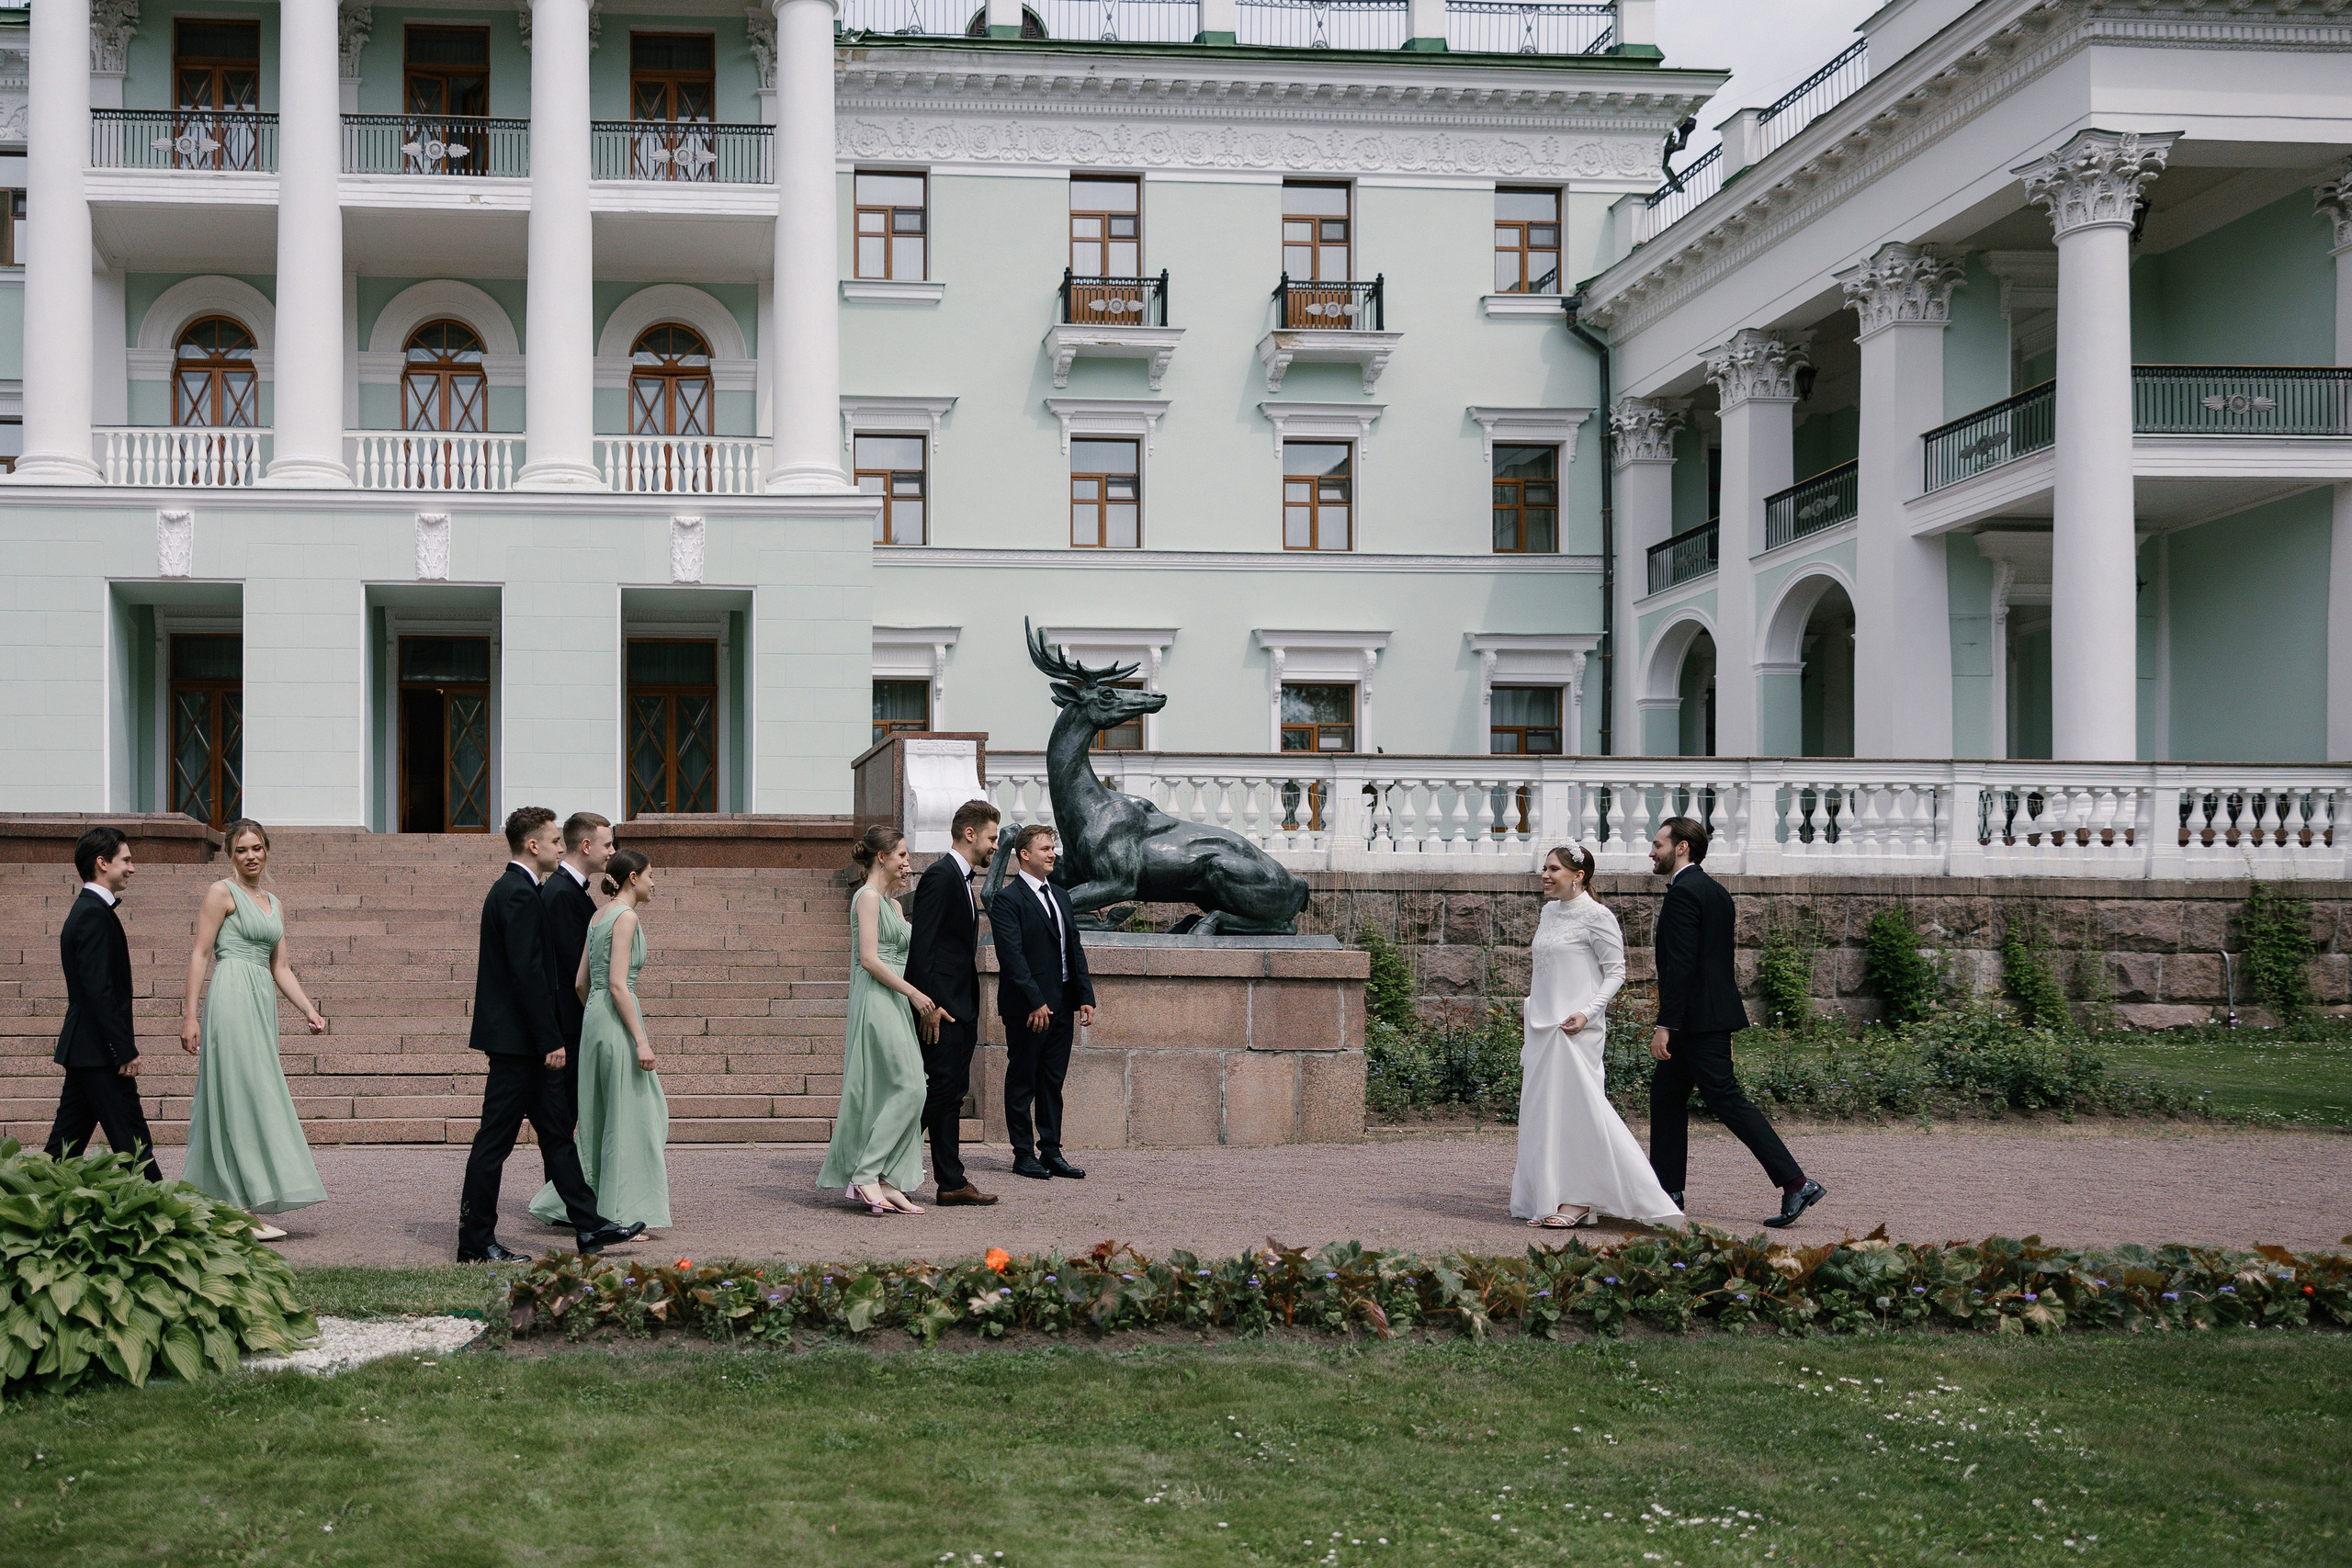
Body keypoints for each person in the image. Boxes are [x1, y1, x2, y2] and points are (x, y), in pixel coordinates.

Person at [454, 807, 645, 1262]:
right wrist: (550, 1039)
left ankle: (590, 1226)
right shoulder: (517, 893)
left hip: (525, 1043)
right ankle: (475, 1241)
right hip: (518, 1046)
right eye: (556, 841)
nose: (562, 849)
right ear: (533, 845)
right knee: (493, 1143)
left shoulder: (522, 889)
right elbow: (528, 975)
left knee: (557, 1135)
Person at [1646, 816, 1826, 1229]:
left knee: (1726, 1100)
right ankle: (1666, 1192)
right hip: (1708, 1017)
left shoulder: (1682, 895)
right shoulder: (1716, 892)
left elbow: (1681, 967)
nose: (1651, 852)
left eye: (1658, 845)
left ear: (1682, 848)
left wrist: (1666, 1023)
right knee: (1666, 1098)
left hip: (1694, 1022)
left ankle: (1797, 1182)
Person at [1512, 843, 1684, 1229]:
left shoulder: (1598, 916)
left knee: (1580, 1112)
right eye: (1544, 868)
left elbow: (1616, 972)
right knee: (1545, 1113)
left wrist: (1587, 1013)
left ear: (1579, 875)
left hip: (1576, 1031)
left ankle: (1580, 1200)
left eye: (1553, 869)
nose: (1545, 874)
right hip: (1542, 1029)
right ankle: (1548, 1193)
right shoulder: (1548, 912)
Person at [177, 820, 328, 1238]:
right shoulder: (221, 892)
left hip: (261, 1002)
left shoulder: (273, 902)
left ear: (267, 850)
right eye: (242, 849)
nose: (251, 856)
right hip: (230, 997)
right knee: (240, 1095)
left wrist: (308, 1009)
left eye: (257, 848)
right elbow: (199, 954)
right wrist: (189, 1016)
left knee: (255, 1093)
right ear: (231, 854)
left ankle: (234, 1203)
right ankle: (237, 1208)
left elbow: (280, 966)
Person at [530, 849, 670, 1231]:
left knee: (597, 1116)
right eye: (651, 875)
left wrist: (596, 1014)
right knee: (633, 1116)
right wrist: (640, 1040)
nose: (654, 883)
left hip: (594, 1020)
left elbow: (581, 983)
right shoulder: (626, 916)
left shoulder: (597, 915)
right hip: (616, 1019)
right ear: (633, 878)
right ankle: (625, 1212)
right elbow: (617, 985)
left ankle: (585, 1204)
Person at [818, 826, 933, 1215]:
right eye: (901, 855)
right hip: (877, 999)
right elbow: (869, 959)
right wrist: (913, 993)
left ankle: (887, 1179)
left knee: (910, 1086)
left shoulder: (895, 906)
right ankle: (866, 1172)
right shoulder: (865, 897)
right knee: (910, 1086)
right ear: (881, 857)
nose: (908, 863)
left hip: (896, 1001)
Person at [46, 827, 163, 1182]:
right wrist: (123, 1049)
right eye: (126, 859)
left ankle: (23, 1208)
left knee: (62, 1150)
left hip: (87, 1051)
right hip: (99, 1052)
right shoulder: (93, 914)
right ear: (102, 863)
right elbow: (100, 991)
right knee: (133, 1143)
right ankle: (164, 1217)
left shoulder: (88, 911)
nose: (132, 868)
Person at [904, 799, 1001, 1206]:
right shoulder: (942, 877)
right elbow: (922, 947)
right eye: (992, 838)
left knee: (951, 1089)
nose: (996, 847)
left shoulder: (961, 879)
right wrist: (929, 1005)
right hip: (943, 1008)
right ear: (970, 833)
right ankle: (880, 1159)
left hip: (958, 1004)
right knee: (943, 1088)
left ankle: (950, 1181)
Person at [989, 824, 1094, 1181]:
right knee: (1023, 1080)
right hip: (1027, 1009)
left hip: (1063, 1003)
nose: (1052, 854)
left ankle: (1051, 1151)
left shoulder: (1062, 895)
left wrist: (1085, 997)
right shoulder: (1008, 899)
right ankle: (1023, 1154)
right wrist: (1034, 1001)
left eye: (1053, 848)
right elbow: (1012, 957)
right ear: (1024, 855)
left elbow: (1073, 948)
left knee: (1052, 1080)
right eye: (1045, 849)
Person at [540, 811, 613, 1129]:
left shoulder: (572, 890)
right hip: (568, 1027)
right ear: (586, 846)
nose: (612, 851)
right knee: (566, 1118)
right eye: (607, 845)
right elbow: (575, 973)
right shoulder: (561, 893)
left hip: (571, 1025)